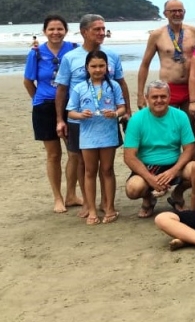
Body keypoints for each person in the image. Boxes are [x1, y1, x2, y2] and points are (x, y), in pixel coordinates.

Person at [55, 14, 131, 218]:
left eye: (103, 29)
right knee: (82, 163)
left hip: (107, 120)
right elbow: (61, 89)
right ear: (84, 32)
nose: (101, 33)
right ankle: (88, 205)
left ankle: (107, 203)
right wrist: (60, 119)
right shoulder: (70, 57)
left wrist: (127, 112)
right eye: (97, 29)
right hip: (79, 119)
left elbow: (121, 83)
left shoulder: (112, 55)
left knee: (106, 166)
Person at [23, 14, 80, 213]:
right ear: (44, 31)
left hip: (70, 105)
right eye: (51, 29)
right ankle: (58, 197)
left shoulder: (74, 49)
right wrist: (38, 100)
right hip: (45, 106)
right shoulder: (36, 53)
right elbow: (28, 81)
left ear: (66, 30)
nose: (56, 32)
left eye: (59, 29)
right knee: (54, 154)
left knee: (75, 153)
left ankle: (71, 194)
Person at [66, 50, 126, 224]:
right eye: (94, 66)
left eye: (101, 66)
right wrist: (81, 115)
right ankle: (92, 210)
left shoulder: (113, 86)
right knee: (89, 171)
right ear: (87, 67)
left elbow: (122, 107)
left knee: (107, 170)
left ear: (107, 67)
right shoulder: (80, 87)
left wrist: (115, 114)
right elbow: (70, 112)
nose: (98, 69)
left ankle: (110, 207)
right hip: (88, 135)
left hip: (108, 133)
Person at [124, 80, 195, 218]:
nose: (159, 100)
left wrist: (173, 171)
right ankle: (148, 199)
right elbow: (129, 156)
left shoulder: (180, 116)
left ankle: (177, 194)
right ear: (147, 98)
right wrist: (150, 178)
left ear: (169, 97)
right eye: (154, 97)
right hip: (148, 167)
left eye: (163, 96)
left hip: (174, 164)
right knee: (133, 189)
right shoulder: (136, 119)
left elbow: (189, 149)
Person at [137, 0, 195, 138]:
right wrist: (140, 95)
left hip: (190, 89)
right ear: (165, 13)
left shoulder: (193, 32)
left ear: (184, 12)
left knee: (190, 132)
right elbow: (145, 64)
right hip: (167, 89)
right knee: (168, 131)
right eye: (173, 11)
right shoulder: (157, 35)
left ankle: (191, 154)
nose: (177, 14)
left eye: (180, 10)